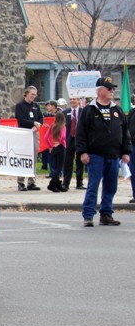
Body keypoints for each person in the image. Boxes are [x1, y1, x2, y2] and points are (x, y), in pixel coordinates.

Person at [75, 76, 131, 227]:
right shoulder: (89, 110)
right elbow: (81, 133)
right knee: (93, 185)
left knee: (111, 186)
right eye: (109, 88)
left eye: (113, 88)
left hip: (113, 155)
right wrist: (82, 152)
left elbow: (125, 132)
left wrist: (126, 151)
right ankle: (88, 215)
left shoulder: (117, 110)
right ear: (99, 91)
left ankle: (106, 214)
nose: (112, 91)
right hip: (95, 155)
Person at [14, 85, 43, 191]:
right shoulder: (20, 105)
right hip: (23, 133)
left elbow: (41, 117)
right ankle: (20, 182)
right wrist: (32, 123)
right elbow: (20, 120)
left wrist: (38, 124)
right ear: (26, 94)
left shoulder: (36, 106)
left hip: (34, 133)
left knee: (34, 156)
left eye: (35, 95)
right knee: (22, 157)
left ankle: (32, 181)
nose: (33, 97)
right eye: (32, 94)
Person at [62, 97, 85, 190]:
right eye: (70, 99)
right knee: (68, 161)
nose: (72, 101)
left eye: (74, 99)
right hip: (69, 139)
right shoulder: (65, 112)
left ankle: (79, 183)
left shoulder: (83, 111)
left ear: (78, 101)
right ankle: (65, 183)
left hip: (80, 139)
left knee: (80, 161)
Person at [45, 110, 67, 192]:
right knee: (59, 167)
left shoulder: (52, 125)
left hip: (54, 147)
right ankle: (52, 184)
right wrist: (60, 142)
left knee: (56, 166)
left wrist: (50, 146)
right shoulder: (63, 126)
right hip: (61, 147)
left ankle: (58, 184)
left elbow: (45, 137)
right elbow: (63, 136)